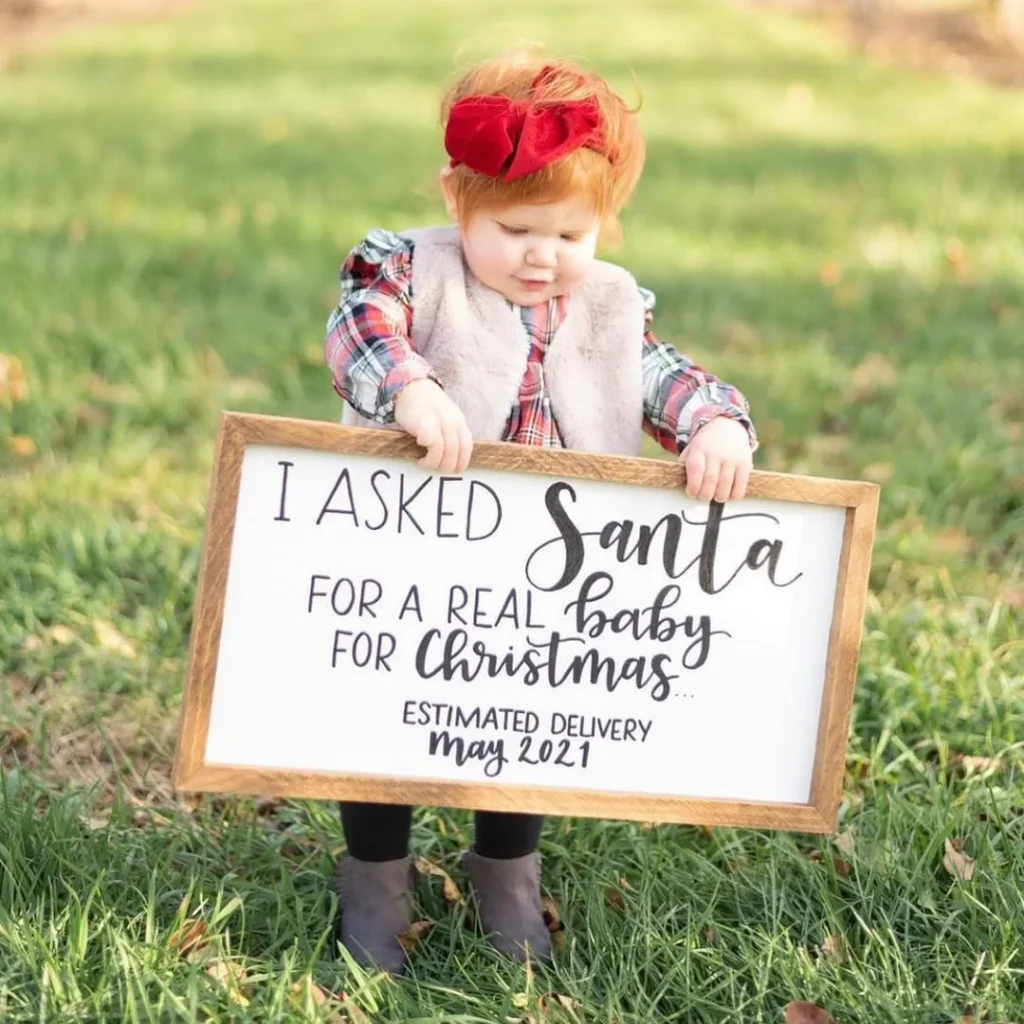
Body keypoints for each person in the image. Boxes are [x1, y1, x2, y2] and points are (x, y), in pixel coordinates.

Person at [323, 49, 758, 975]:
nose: (542, 256)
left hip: (538, 571)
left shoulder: (603, 305)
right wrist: (410, 390)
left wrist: (714, 422)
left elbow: (657, 375)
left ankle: (506, 870)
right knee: (385, 713)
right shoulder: (413, 268)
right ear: (457, 199)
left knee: (527, 714)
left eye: (571, 234)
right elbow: (358, 328)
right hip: (415, 551)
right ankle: (376, 876)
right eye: (517, 228)